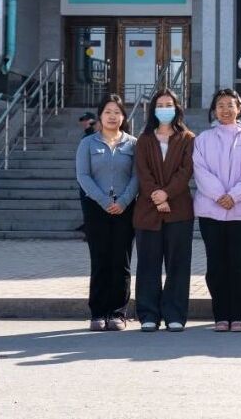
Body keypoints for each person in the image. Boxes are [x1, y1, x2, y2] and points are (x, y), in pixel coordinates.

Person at [193, 88, 241, 332]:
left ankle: (239, 315)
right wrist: (219, 195)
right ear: (214, 110)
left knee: (240, 265)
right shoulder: (203, 139)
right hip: (211, 211)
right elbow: (200, 170)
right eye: (220, 105)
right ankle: (221, 315)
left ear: (239, 108)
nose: (225, 110)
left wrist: (234, 196)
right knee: (216, 264)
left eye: (230, 105)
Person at [133, 88, 195, 333]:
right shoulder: (144, 139)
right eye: (160, 105)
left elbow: (186, 171)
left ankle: (175, 314)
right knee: (148, 264)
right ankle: (148, 314)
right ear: (153, 110)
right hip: (148, 210)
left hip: (179, 210)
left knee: (178, 265)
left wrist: (167, 194)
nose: (165, 109)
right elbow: (142, 172)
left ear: (177, 108)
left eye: (169, 105)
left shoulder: (188, 138)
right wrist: (157, 198)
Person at [75, 94, 138, 331]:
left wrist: (123, 201)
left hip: (125, 207)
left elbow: (137, 176)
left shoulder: (132, 144)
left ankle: (118, 313)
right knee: (100, 259)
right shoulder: (88, 143)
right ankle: (99, 312)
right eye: (108, 112)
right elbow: (83, 176)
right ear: (100, 116)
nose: (112, 116)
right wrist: (103, 201)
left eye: (117, 112)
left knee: (121, 261)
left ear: (123, 116)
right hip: (96, 208)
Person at [75, 112, 97, 237]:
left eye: (86, 120)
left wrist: (92, 127)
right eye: (83, 120)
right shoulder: (86, 136)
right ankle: (88, 227)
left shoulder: (94, 134)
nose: (84, 123)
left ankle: (90, 229)